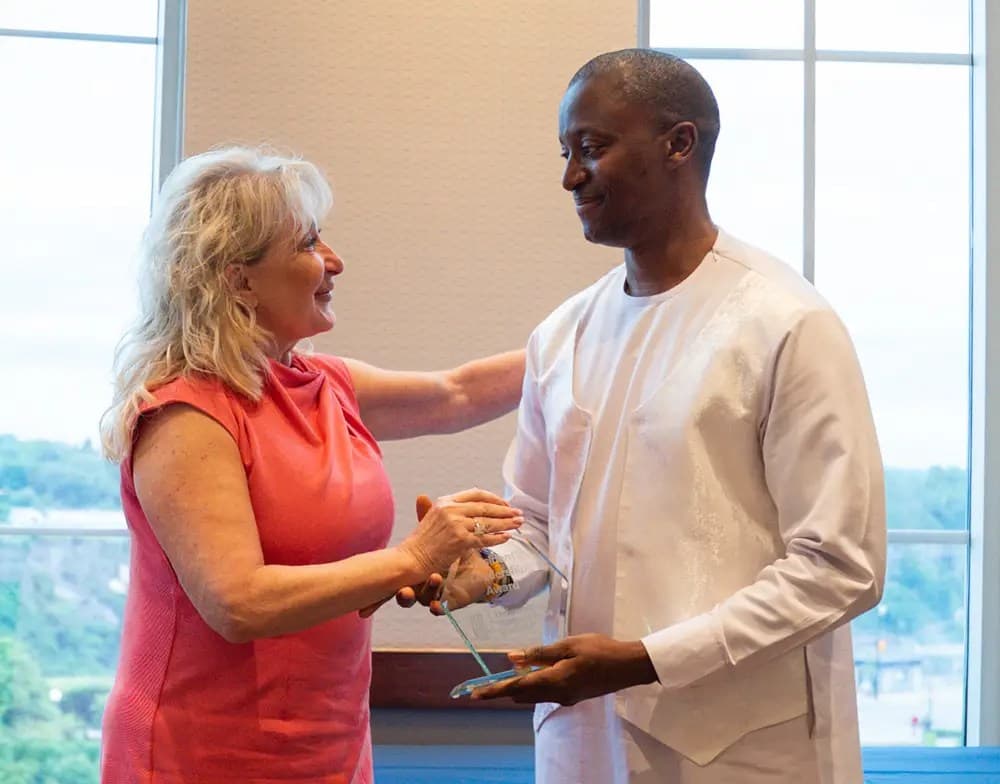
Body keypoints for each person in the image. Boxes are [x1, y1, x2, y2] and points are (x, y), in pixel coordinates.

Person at [420, 49, 887, 784]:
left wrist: (645, 661)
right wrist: (486, 574)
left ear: (679, 144)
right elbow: (541, 523)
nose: (571, 176)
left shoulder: (786, 322)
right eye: (566, 153)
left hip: (742, 752)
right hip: (581, 743)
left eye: (593, 148)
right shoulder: (562, 334)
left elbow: (841, 568)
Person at [97, 146, 526, 784]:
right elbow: (237, 603)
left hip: (329, 740)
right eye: (308, 243)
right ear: (238, 278)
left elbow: (456, 393)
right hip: (205, 752)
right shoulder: (186, 413)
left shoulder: (324, 382)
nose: (334, 262)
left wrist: (598, 329)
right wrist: (412, 558)